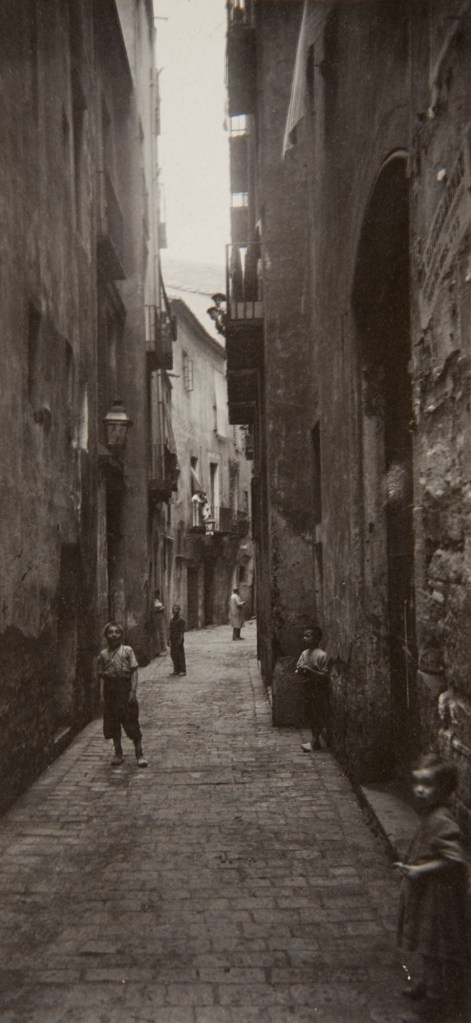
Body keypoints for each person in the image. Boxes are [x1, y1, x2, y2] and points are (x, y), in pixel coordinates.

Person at [395, 753, 468, 1019]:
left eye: (428, 785)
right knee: (427, 946)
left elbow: (454, 859)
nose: (420, 790)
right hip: (427, 896)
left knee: (433, 948)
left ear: (444, 789)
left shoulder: (443, 819)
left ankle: (436, 1000)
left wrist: (418, 870)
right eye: (417, 783)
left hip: (438, 900)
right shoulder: (431, 813)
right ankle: (427, 984)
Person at [97, 621, 148, 768]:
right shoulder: (103, 654)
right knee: (113, 723)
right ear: (106, 635)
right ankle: (118, 753)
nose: (114, 635)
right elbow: (102, 677)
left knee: (131, 720)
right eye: (110, 632)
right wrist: (102, 695)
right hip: (110, 690)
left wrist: (132, 691)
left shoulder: (127, 650)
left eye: (117, 632)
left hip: (124, 689)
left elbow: (134, 672)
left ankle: (139, 754)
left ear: (121, 634)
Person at [295, 625, 329, 752]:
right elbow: (298, 669)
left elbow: (325, 675)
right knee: (310, 714)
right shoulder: (304, 654)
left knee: (317, 714)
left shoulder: (322, 655)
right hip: (308, 689)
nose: (305, 638)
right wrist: (301, 671)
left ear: (317, 638)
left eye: (308, 636)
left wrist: (310, 671)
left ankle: (315, 741)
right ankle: (315, 740)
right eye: (304, 636)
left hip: (318, 690)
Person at [169, 603, 186, 676]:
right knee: (173, 654)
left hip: (178, 639)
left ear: (179, 610)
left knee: (180, 654)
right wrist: (168, 639)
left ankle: (183, 670)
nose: (174, 610)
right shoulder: (172, 620)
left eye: (176, 609)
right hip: (173, 639)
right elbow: (170, 631)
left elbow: (182, 631)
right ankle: (176, 669)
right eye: (173, 609)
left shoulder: (181, 620)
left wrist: (181, 639)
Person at [153, 589, 165, 656]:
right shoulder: (154, 601)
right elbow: (155, 609)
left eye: (158, 594)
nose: (157, 595)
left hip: (160, 618)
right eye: (156, 594)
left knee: (160, 632)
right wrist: (161, 609)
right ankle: (157, 650)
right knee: (157, 633)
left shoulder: (157, 601)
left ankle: (161, 649)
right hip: (156, 618)